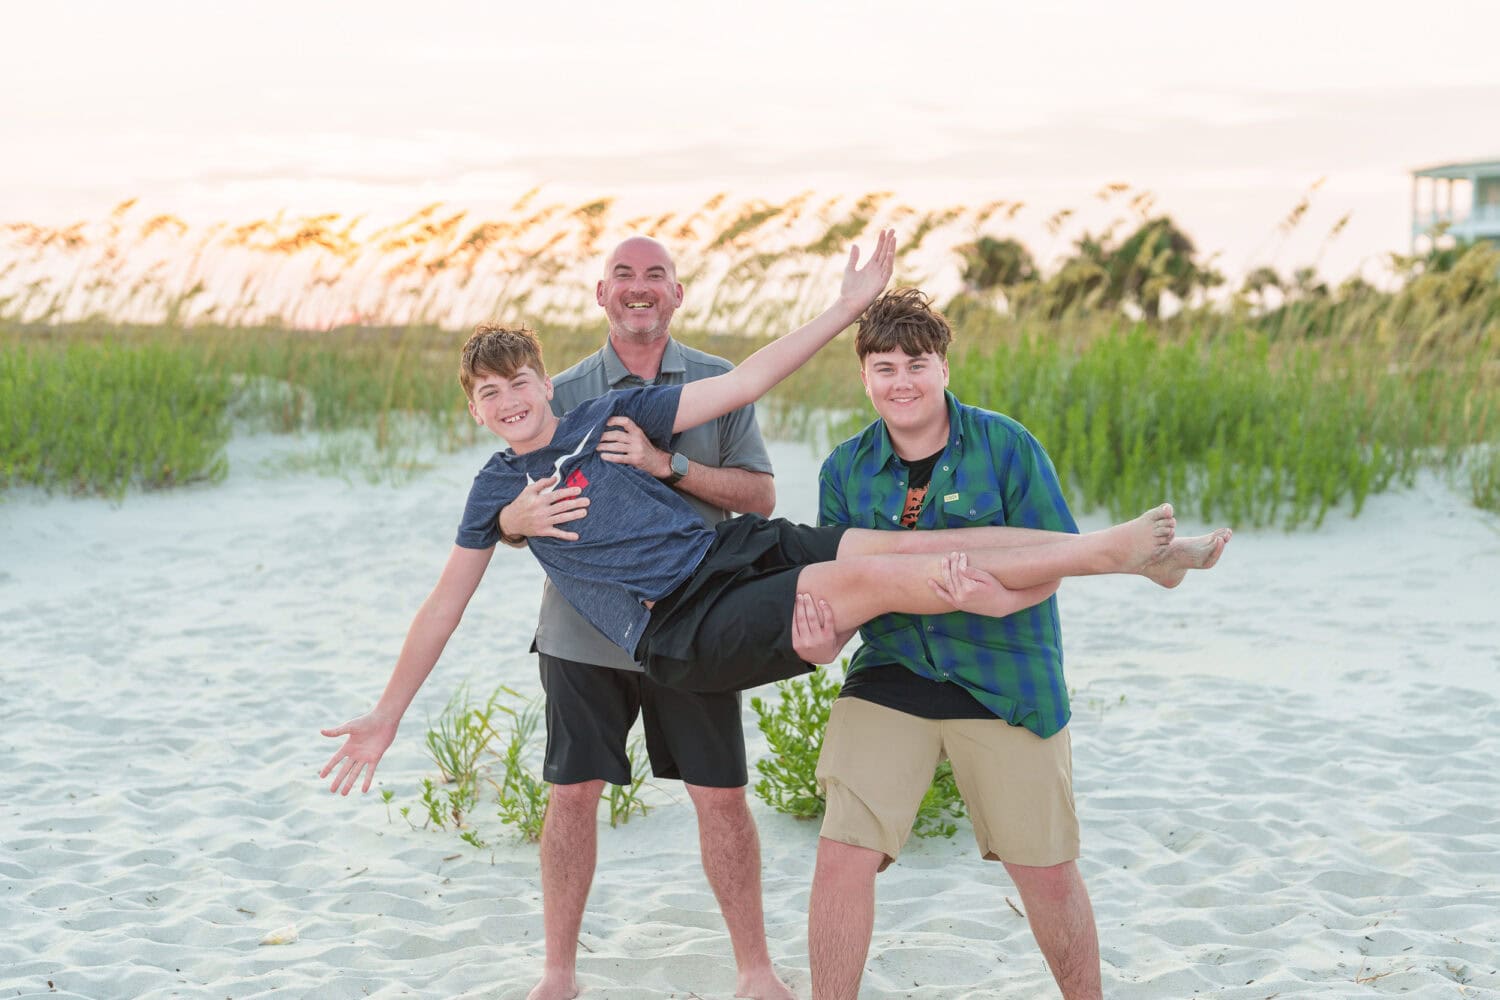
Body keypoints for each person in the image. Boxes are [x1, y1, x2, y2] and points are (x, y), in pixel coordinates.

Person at [320, 233, 1224, 990]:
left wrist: (844, 307)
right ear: (474, 411)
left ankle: (1119, 558)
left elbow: (748, 382)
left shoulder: (610, 412)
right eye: (491, 396)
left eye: (522, 384)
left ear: (548, 381)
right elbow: (445, 604)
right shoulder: (492, 493)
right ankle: (1108, 555)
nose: (513, 403)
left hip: (734, 554)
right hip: (677, 626)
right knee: (866, 586)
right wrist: (387, 715)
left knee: (886, 549)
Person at [795, 289, 1229, 999]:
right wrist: (823, 642)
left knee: (1045, 870)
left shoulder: (1005, 445)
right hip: (895, 667)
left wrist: (995, 599)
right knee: (842, 856)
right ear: (863, 375)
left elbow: (1052, 559)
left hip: (1005, 671)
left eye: (916, 363)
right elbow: (849, 590)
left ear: (943, 366)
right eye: (883, 367)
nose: (901, 381)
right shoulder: (844, 468)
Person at [494, 234, 789, 1000]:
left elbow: (760, 498)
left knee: (721, 796)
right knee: (571, 795)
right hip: (582, 632)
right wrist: (508, 523)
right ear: (600, 295)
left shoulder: (718, 383)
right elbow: (503, 492)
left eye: (655, 275)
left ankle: (755, 971)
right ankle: (558, 974)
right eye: (623, 274)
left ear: (676, 294)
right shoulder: (560, 392)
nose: (639, 286)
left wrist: (673, 467)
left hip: (697, 626)